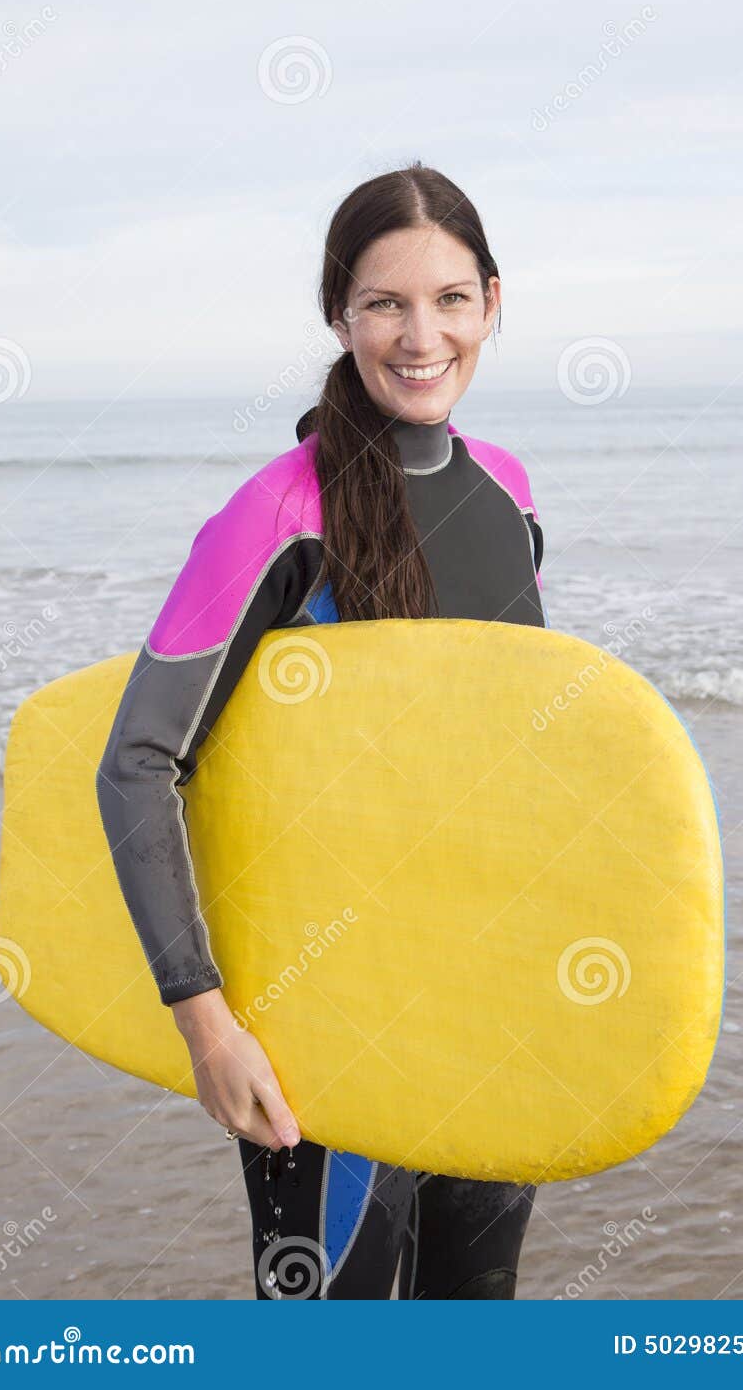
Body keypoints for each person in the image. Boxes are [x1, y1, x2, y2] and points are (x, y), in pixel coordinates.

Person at [96, 163, 549, 1298]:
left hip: (486, 999)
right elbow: (138, 762)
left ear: (492, 302)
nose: (419, 334)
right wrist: (207, 1027)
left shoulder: (509, 494)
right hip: (324, 1024)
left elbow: (517, 757)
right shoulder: (277, 513)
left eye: (449, 298)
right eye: (384, 302)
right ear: (338, 313)